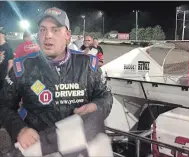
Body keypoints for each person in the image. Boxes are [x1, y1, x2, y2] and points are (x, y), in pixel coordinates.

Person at [0, 6, 113, 153]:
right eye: (42, 29)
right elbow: (4, 106)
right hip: (39, 147)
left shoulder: (87, 65)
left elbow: (106, 96)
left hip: (77, 147)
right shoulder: (22, 67)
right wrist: (20, 130)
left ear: (67, 35)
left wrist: (96, 107)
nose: (48, 35)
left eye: (55, 29)